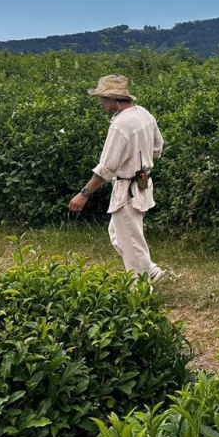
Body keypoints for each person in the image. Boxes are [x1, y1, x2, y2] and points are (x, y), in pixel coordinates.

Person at [69, 74, 166, 283]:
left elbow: (107, 168)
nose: (101, 102)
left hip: (127, 187)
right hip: (143, 183)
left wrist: (84, 194)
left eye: (102, 98)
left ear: (113, 99)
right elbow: (158, 148)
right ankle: (152, 271)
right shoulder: (144, 114)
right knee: (118, 233)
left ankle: (140, 290)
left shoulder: (121, 124)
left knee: (131, 241)